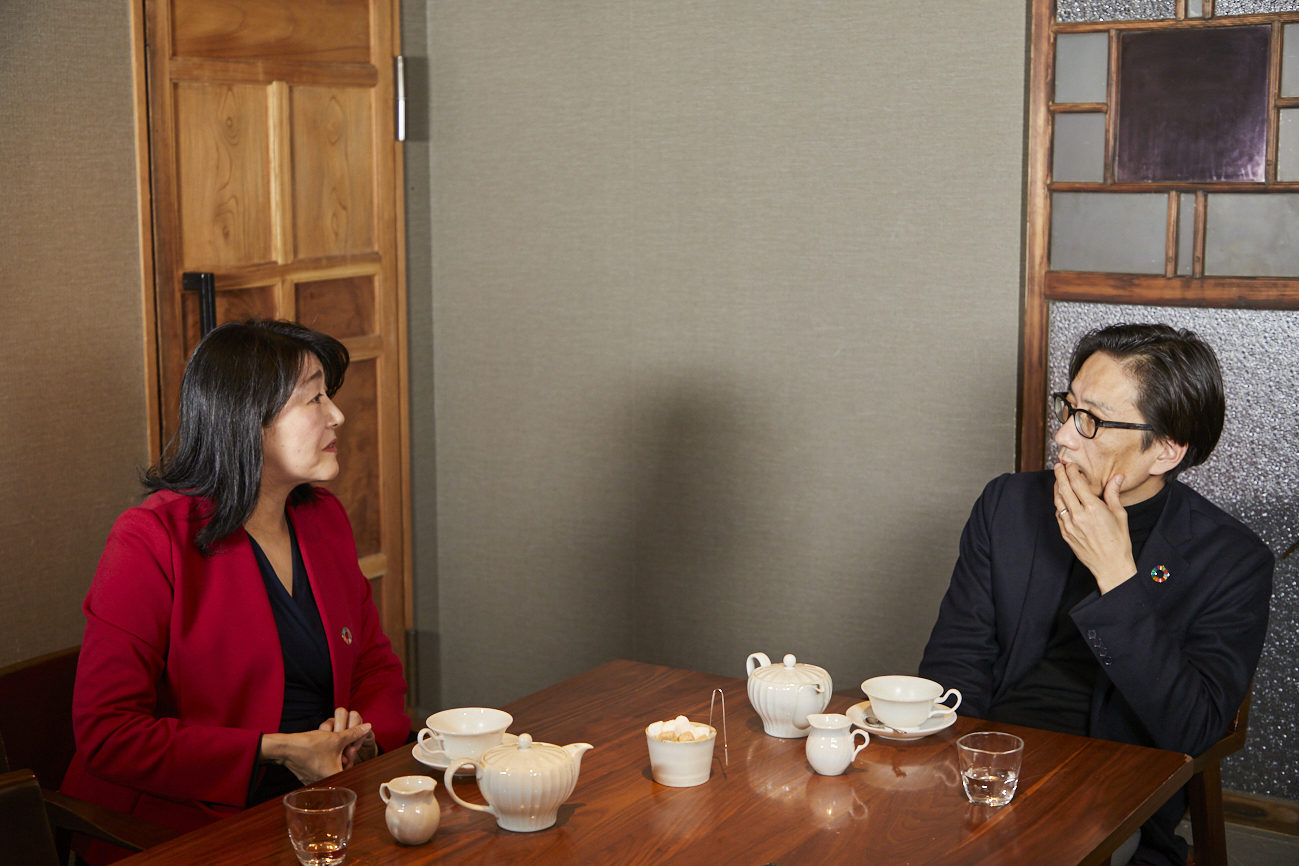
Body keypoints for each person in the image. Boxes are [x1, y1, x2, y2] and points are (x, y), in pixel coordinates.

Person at [919, 323, 1272, 866]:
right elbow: (954, 666)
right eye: (1069, 408)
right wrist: (959, 779)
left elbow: (1193, 730)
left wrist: (1117, 577)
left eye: (1092, 421)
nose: (1063, 436)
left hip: (1112, 797)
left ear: (1166, 451)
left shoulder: (1230, 560)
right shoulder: (1008, 505)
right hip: (985, 770)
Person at [61, 320, 408, 862]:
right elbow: (108, 732)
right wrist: (278, 750)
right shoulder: (152, 538)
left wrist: (362, 736)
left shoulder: (322, 519)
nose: (337, 414)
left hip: (323, 802)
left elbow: (375, 668)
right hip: (182, 825)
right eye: (314, 398)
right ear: (248, 421)